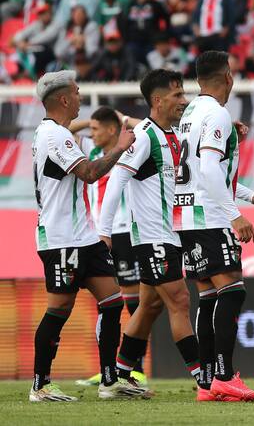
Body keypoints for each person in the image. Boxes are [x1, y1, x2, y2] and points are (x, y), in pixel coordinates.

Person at [30, 70, 144, 402]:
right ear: (64, 99)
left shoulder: (52, 132)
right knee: (60, 309)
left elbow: (73, 146)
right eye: (78, 93)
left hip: (84, 237)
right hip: (62, 238)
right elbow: (90, 173)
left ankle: (110, 381)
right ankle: (40, 384)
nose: (82, 97)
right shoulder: (55, 136)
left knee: (112, 302)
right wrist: (121, 147)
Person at [97, 70, 208, 397]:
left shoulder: (169, 134)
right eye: (177, 95)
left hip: (168, 236)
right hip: (152, 238)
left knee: (149, 307)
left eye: (184, 94)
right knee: (180, 300)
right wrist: (105, 232)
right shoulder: (144, 135)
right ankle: (205, 379)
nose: (184, 100)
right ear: (158, 101)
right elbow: (116, 180)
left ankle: (117, 378)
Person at [175, 51, 254, 401]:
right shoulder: (217, 114)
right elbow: (207, 169)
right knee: (233, 291)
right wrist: (235, 214)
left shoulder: (190, 113)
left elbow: (212, 170)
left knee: (207, 296)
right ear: (228, 76)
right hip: (211, 217)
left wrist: (250, 196)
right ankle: (224, 375)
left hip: (188, 216)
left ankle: (206, 383)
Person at [69, 107, 148, 387]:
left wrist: (123, 118)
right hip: (99, 234)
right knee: (108, 302)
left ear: (112, 130)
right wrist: (89, 121)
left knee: (133, 301)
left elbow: (151, 126)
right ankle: (109, 368)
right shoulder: (92, 156)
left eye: (96, 129)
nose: (91, 134)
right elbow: (64, 132)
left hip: (125, 231)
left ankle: (134, 367)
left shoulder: (131, 148)